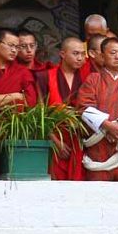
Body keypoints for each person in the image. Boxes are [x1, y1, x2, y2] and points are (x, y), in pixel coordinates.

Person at [78, 37, 118, 181]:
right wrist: (108, 126)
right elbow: (84, 106)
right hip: (99, 146)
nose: (117, 56)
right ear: (102, 56)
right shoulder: (93, 79)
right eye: (113, 53)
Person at [35, 37, 87, 180]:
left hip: (78, 139)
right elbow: (39, 113)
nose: (80, 58)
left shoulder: (87, 78)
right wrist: (55, 141)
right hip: (53, 137)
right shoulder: (44, 77)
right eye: (75, 54)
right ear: (62, 54)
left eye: (83, 54)